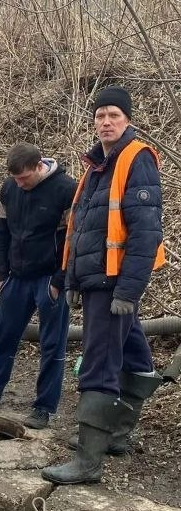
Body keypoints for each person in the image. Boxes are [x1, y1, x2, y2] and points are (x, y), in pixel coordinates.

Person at [42, 85, 164, 485]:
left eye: (113, 114)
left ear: (127, 119)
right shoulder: (98, 166)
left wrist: (128, 291)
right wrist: (68, 277)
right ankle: (117, 434)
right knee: (133, 354)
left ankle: (88, 462)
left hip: (115, 285)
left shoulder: (135, 159)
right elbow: (83, 229)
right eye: (99, 116)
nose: (106, 122)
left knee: (97, 363)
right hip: (98, 280)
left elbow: (146, 232)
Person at [0, 143, 77, 428]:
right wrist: (1, 273)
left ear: (40, 166)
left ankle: (43, 408)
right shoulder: (9, 188)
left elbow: (73, 241)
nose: (20, 184)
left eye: (25, 178)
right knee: (3, 337)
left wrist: (59, 281)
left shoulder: (66, 189)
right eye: (16, 179)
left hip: (49, 279)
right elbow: (1, 231)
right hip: (15, 277)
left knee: (52, 345)